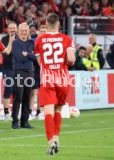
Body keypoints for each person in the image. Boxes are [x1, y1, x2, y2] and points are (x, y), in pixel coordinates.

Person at [34, 13, 75, 155]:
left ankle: (51, 141)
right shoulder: (67, 39)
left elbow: (39, 62)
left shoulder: (39, 40)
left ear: (46, 23)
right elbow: (71, 58)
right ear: (59, 24)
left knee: (48, 112)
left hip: (47, 79)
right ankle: (57, 137)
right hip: (62, 79)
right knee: (58, 110)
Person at [11, 23, 37, 129]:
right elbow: (19, 58)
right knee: (18, 97)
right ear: (18, 31)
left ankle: (24, 121)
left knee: (27, 97)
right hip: (19, 72)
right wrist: (28, 55)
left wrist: (28, 54)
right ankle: (15, 121)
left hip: (30, 72)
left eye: (26, 30)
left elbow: (35, 57)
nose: (24, 32)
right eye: (22, 30)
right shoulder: (15, 43)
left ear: (28, 31)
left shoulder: (31, 42)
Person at [29, 25, 48, 120]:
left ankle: (39, 112)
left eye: (45, 31)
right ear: (38, 32)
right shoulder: (33, 41)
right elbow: (30, 54)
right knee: (33, 91)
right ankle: (29, 112)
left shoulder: (49, 42)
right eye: (41, 31)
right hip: (35, 69)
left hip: (45, 70)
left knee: (42, 92)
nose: (43, 33)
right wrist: (37, 59)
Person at [1, 21, 17, 120]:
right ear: (7, 29)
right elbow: (6, 53)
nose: (12, 30)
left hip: (19, 68)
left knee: (18, 91)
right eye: (10, 28)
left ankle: (15, 112)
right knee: (8, 89)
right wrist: (11, 41)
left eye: (14, 28)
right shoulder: (4, 39)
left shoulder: (21, 38)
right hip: (8, 68)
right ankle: (6, 113)